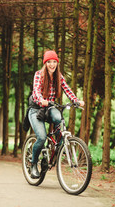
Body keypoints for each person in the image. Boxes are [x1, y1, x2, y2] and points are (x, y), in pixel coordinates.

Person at [28, 50, 84, 179]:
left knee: (59, 118)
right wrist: (41, 100)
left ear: (57, 63)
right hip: (36, 109)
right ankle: (33, 164)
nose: (52, 64)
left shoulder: (59, 76)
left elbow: (67, 89)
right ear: (45, 63)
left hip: (50, 107)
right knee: (41, 137)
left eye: (54, 62)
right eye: (49, 62)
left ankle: (58, 146)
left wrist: (76, 101)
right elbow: (36, 91)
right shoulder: (39, 75)